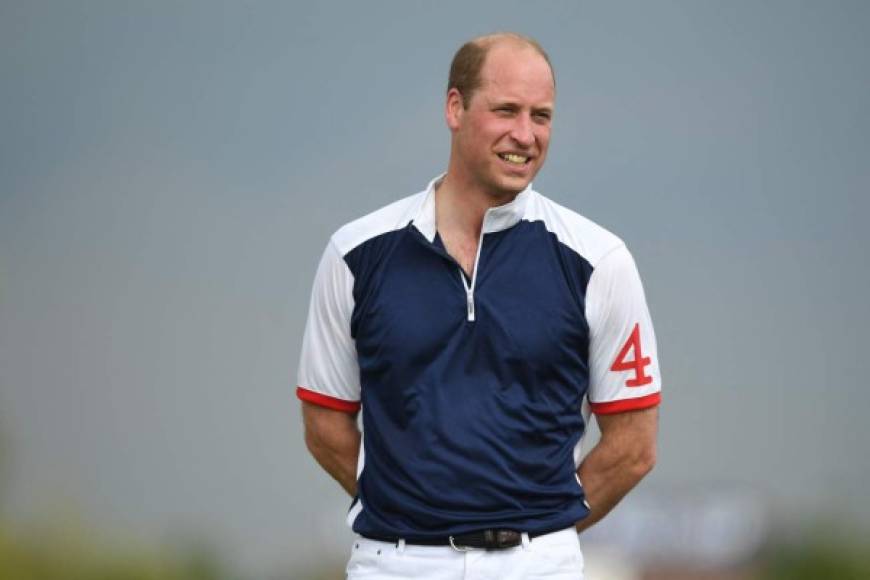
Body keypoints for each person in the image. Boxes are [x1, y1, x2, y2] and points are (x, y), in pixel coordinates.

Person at [296, 32, 660, 580]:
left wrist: (539, 529)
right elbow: (325, 423)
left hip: (540, 566)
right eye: (506, 110)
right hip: (394, 564)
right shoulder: (356, 254)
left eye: (541, 116)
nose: (525, 134)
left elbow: (633, 446)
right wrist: (413, 510)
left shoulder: (599, 260)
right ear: (455, 107)